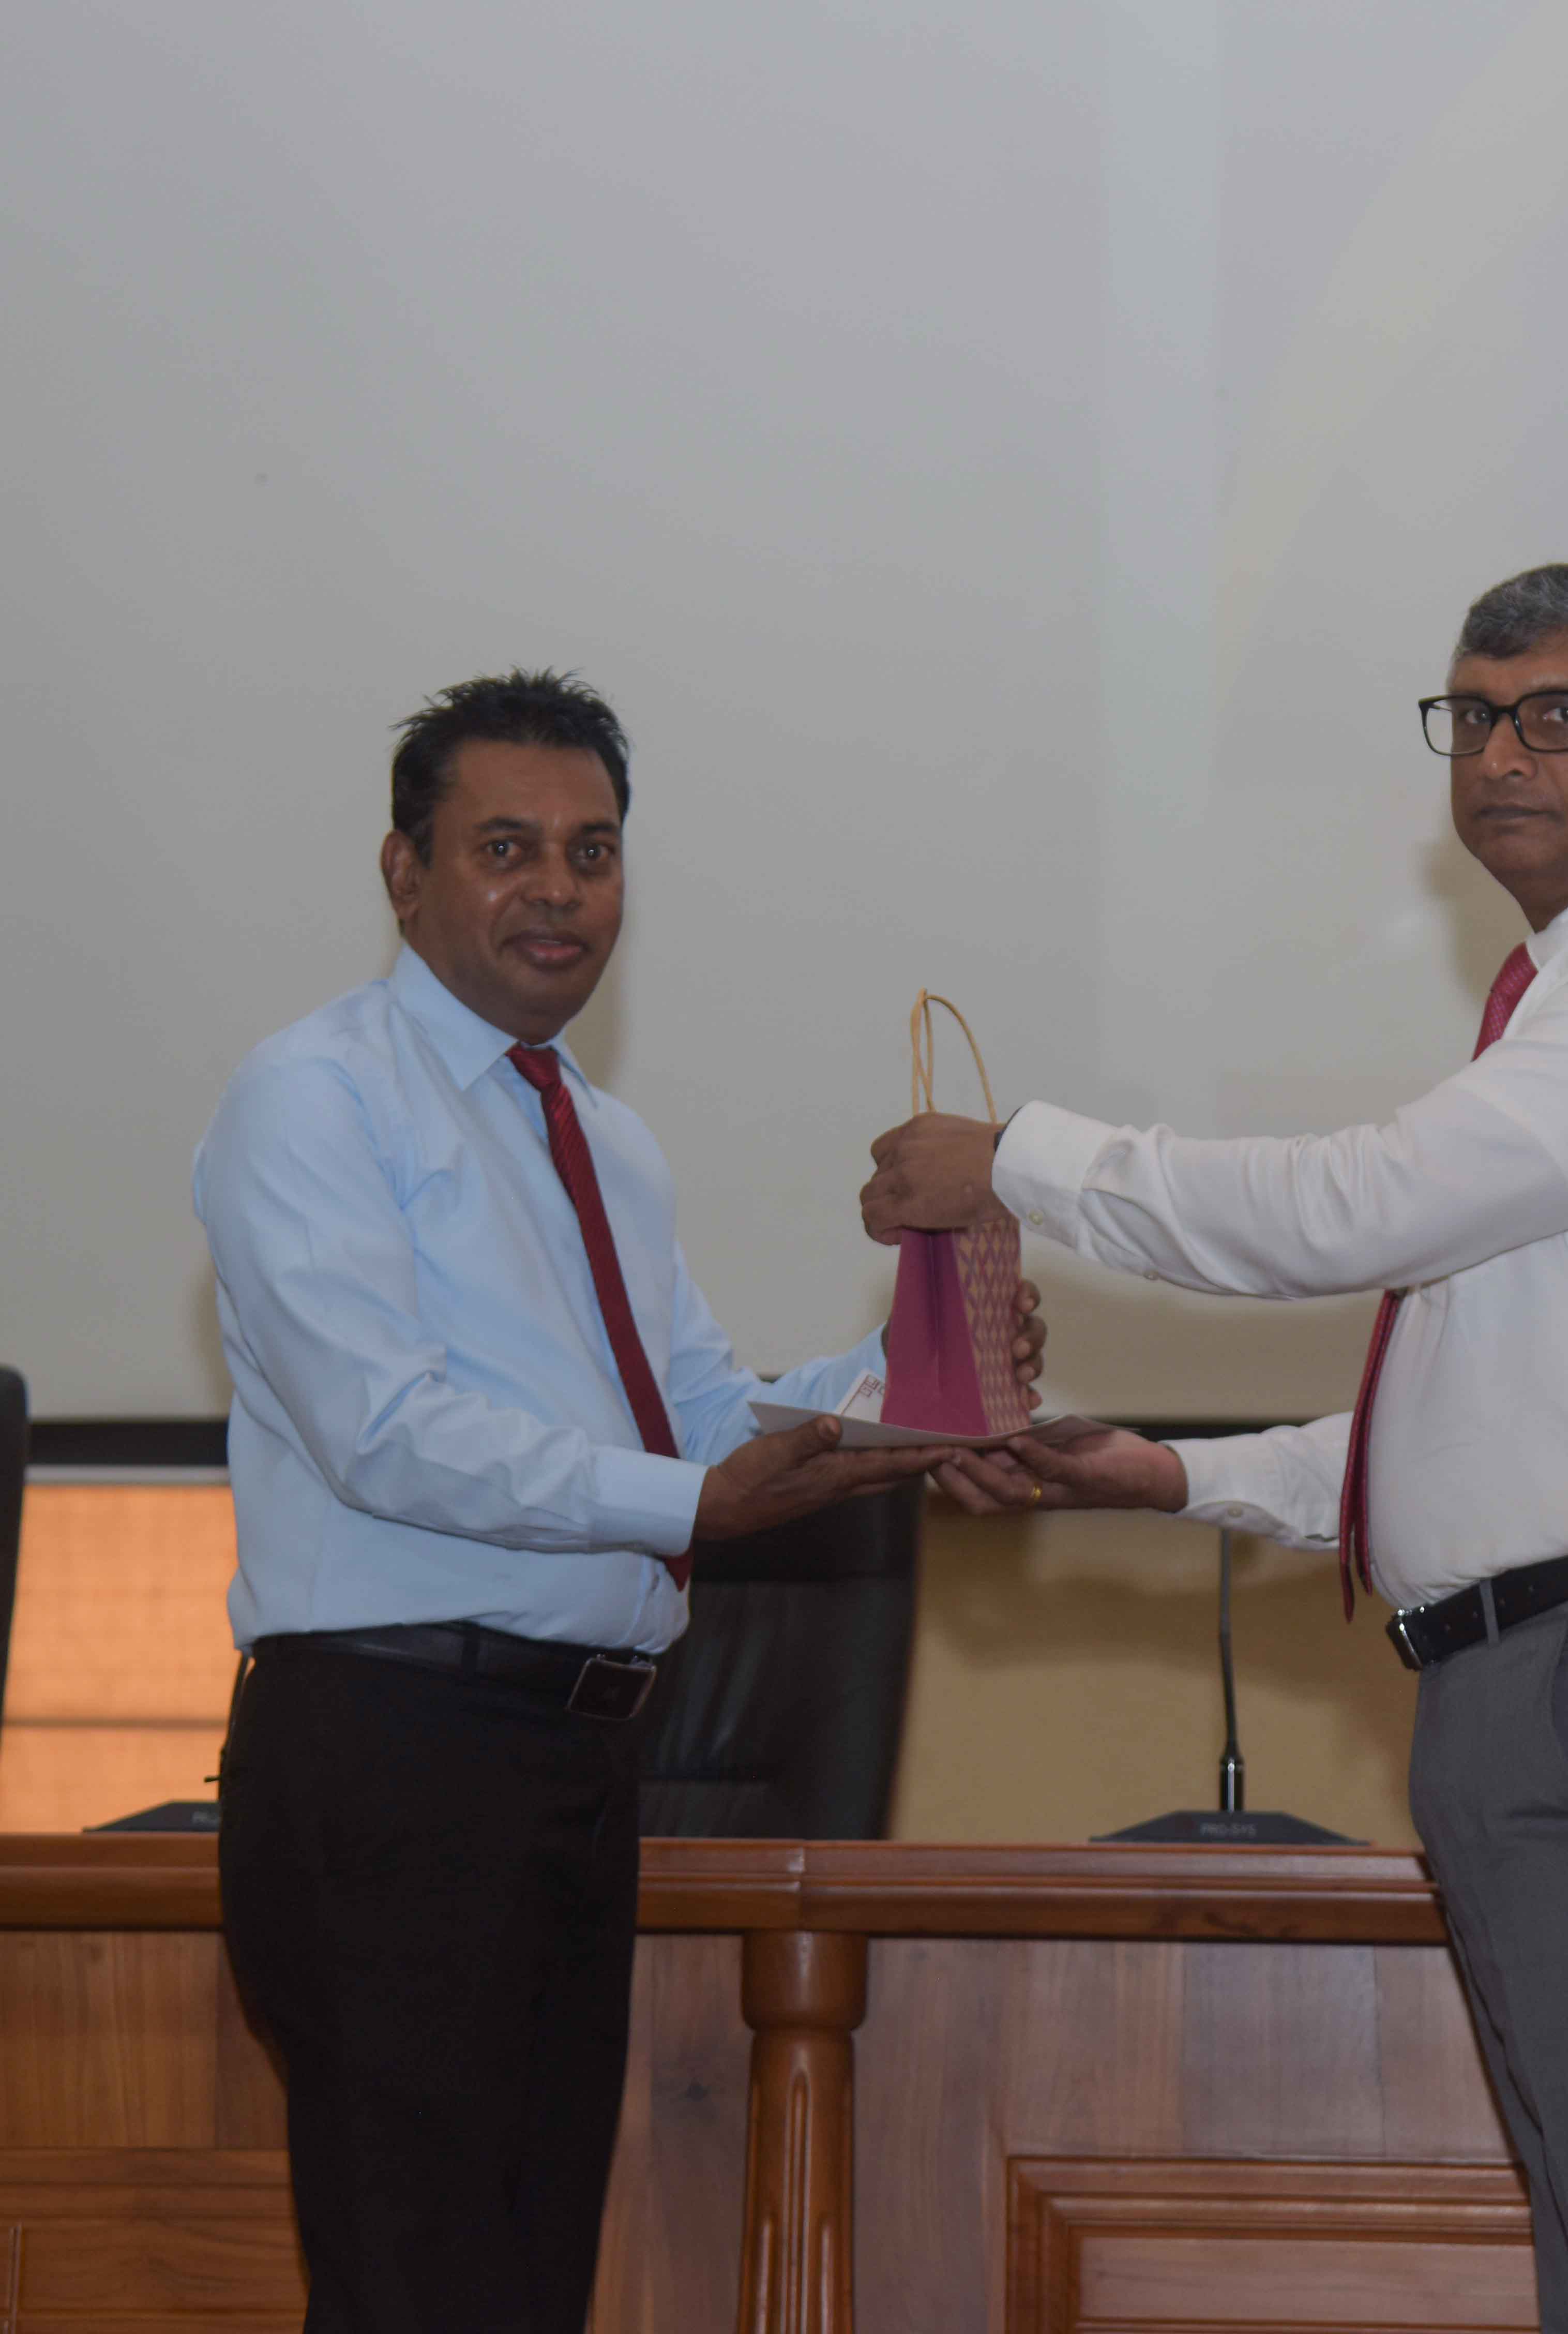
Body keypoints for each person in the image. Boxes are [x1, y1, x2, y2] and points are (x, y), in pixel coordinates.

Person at [860, 565, 1568, 2334]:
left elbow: (1355, 1212)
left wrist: (1021, 1162)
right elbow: (1478, 1421)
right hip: (1532, 1668)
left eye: (1558, 716)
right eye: (1474, 717)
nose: (1501, 757)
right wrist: (1172, 1476)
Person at [198, 669, 1038, 2334]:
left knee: (525, 2290)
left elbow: (704, 1412)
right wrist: (697, 1502)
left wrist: (919, 1371)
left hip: (575, 1766)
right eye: (505, 847)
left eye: (592, 852)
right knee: (416, 2290)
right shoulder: (316, 1095)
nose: (559, 891)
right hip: (391, 1750)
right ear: (404, 872)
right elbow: (386, 1433)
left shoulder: (603, 1136)